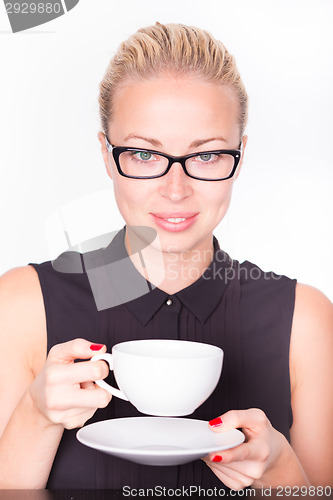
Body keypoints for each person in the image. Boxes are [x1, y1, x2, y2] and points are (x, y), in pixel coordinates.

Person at [0, 22, 332, 492]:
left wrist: (281, 473)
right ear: (106, 154)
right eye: (143, 154)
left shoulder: (306, 320)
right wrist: (37, 416)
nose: (175, 190)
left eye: (207, 156)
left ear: (239, 155)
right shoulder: (21, 305)